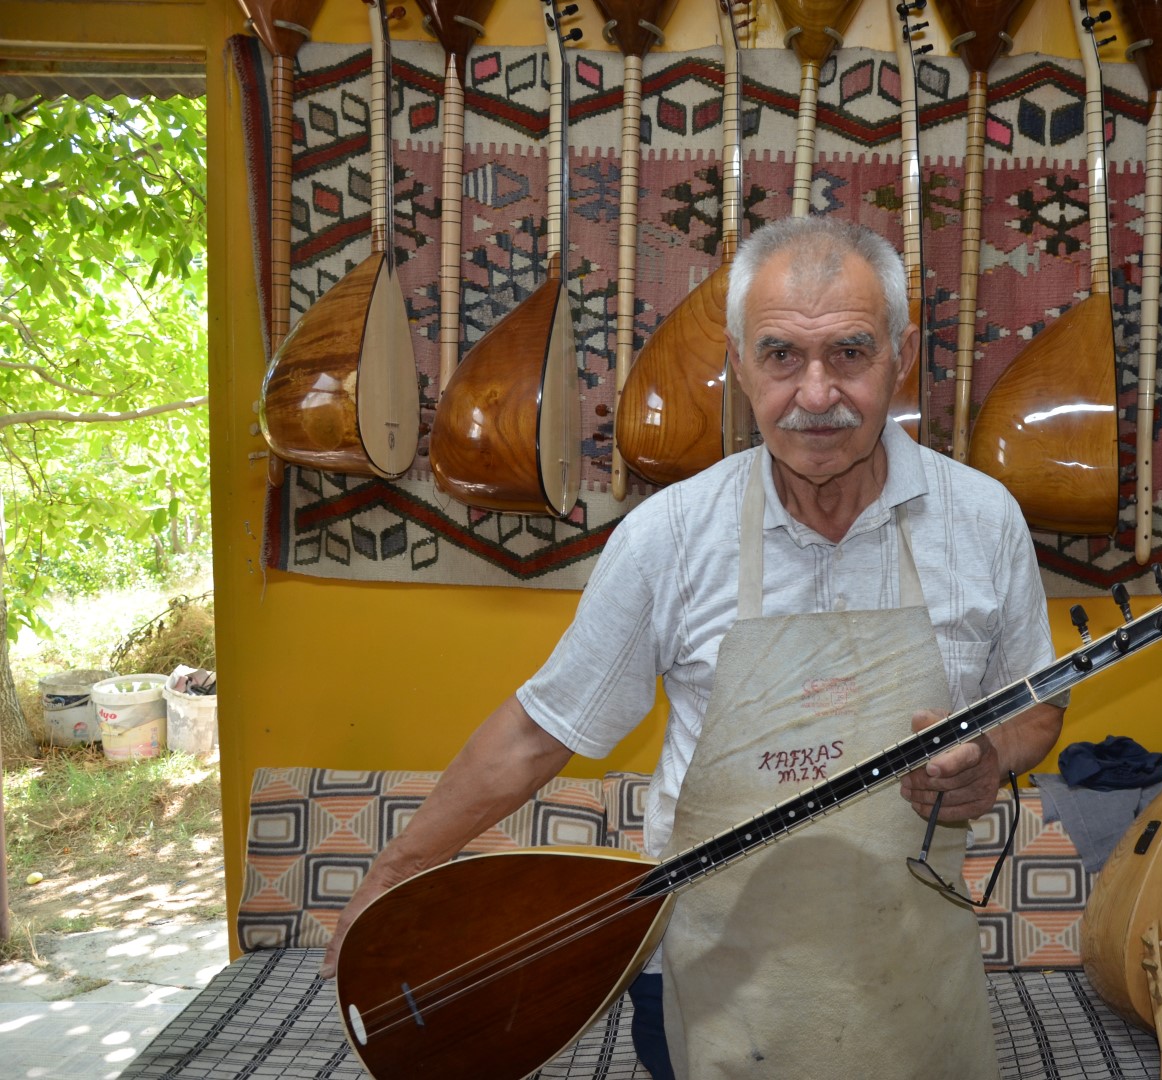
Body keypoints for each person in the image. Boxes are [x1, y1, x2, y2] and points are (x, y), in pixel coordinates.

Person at [320, 216, 1065, 1079]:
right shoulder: (669, 536)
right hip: (712, 970)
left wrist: (995, 756)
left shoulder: (981, 522)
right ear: (739, 363)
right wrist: (392, 876)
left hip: (910, 970)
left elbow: (1036, 702)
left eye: (850, 354)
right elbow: (539, 730)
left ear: (898, 356)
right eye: (781, 355)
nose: (815, 394)